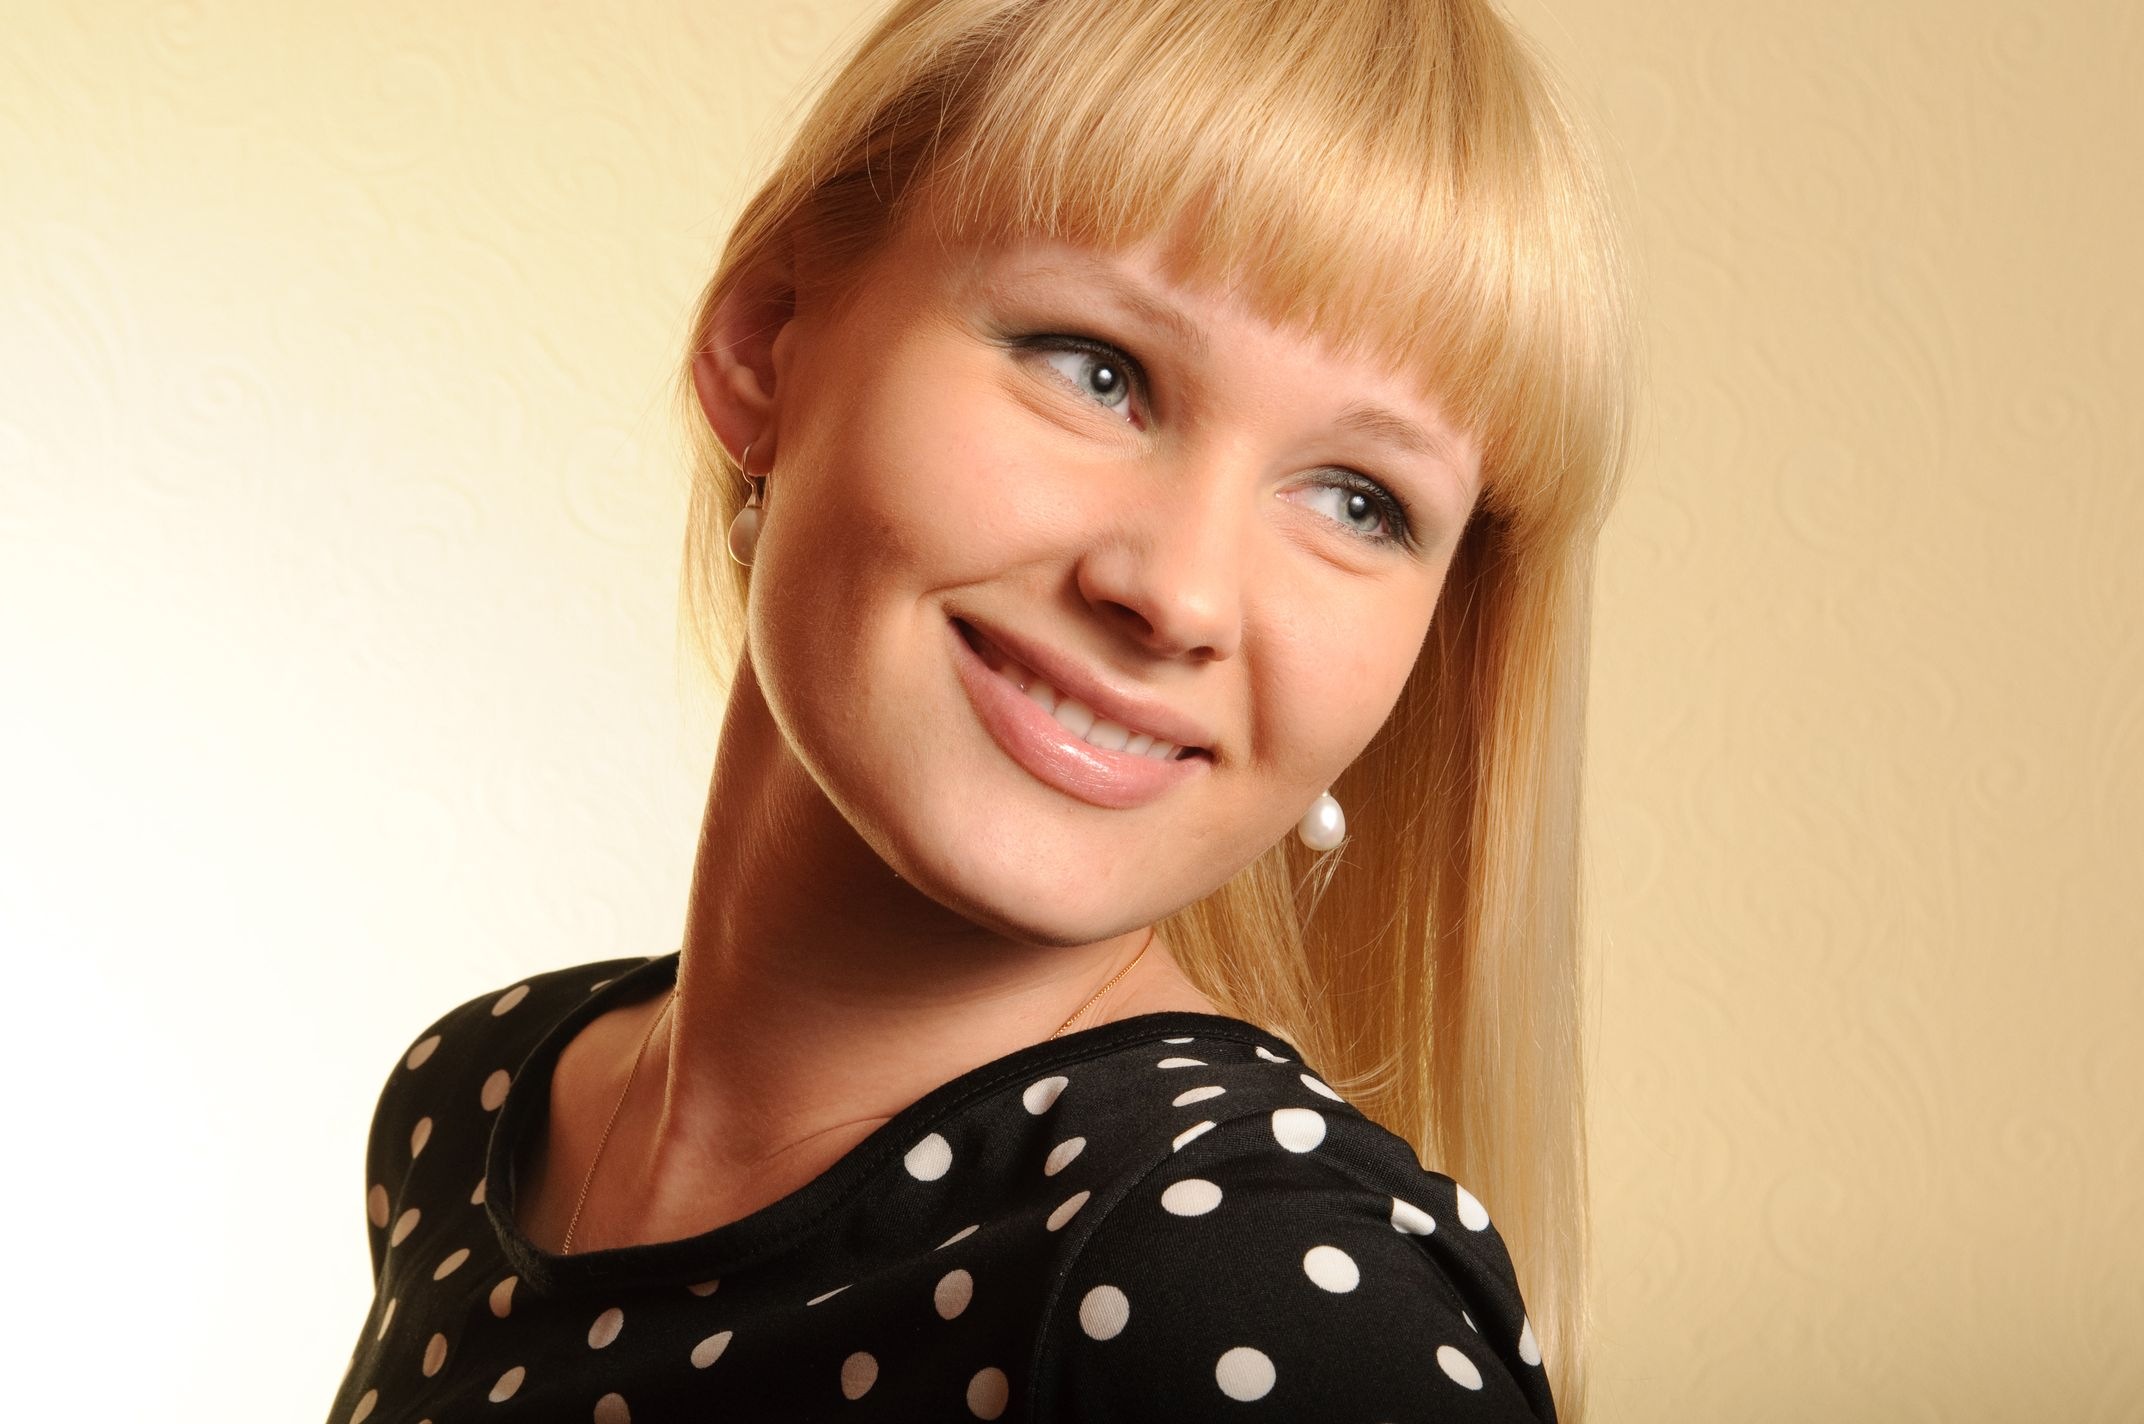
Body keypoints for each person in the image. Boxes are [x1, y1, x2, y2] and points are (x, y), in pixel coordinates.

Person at [328, 0, 1633, 1419]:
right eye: (1095, 370)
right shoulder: (468, 1104)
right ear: (766, 343)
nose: (1180, 594)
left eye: (1360, 502)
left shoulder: (1246, 1285)